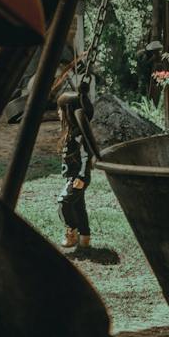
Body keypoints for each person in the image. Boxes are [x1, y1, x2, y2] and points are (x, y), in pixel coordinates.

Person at [57, 85, 94, 255]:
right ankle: (84, 237)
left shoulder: (79, 134)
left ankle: (71, 232)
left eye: (60, 110)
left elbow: (87, 156)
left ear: (69, 112)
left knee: (64, 202)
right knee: (79, 206)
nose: (58, 113)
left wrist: (81, 176)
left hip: (78, 177)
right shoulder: (71, 132)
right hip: (73, 176)